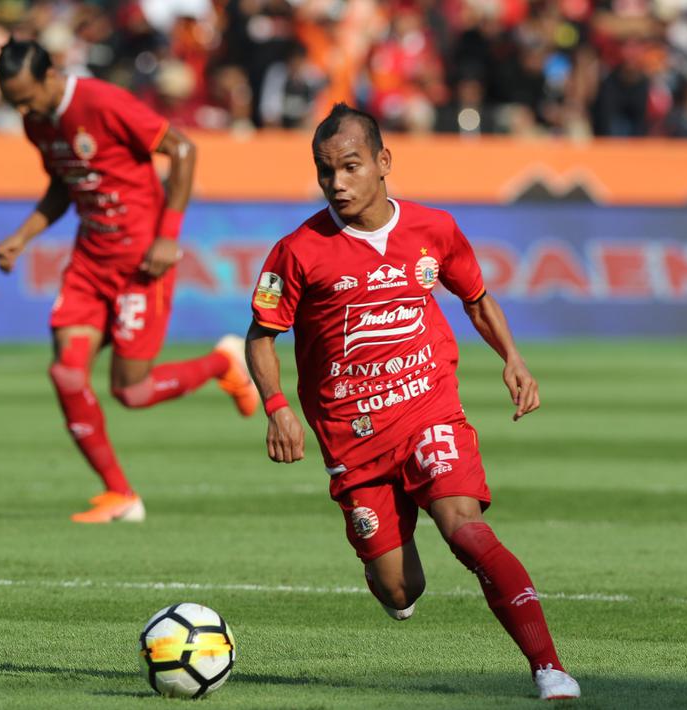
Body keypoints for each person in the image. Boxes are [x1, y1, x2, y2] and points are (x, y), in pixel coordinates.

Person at [244, 104, 580, 700]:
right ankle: (393, 565)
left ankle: (548, 667)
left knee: (466, 532)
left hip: (429, 411)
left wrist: (513, 358)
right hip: (352, 438)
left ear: (383, 162)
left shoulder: (434, 229)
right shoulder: (298, 251)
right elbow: (262, 335)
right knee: (400, 589)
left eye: (350, 167)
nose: (338, 183)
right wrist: (276, 407)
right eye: (326, 172)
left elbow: (475, 296)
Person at [0, 39, 259, 524]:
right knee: (66, 373)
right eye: (14, 103)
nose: (23, 110)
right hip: (89, 264)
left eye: (26, 98)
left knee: (130, 392)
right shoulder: (37, 121)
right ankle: (121, 495)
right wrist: (23, 235)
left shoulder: (103, 103)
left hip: (142, 264)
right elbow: (65, 183)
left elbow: (182, 148)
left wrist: (168, 236)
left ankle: (221, 363)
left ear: (50, 77)